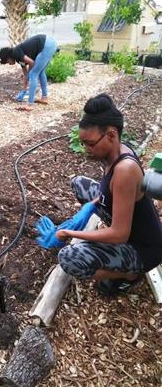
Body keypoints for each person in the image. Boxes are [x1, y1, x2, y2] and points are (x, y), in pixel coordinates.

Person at [55, 93, 162, 296]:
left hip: (143, 248)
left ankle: (130, 275)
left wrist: (70, 233)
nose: (86, 149)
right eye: (83, 143)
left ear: (111, 135)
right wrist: (91, 205)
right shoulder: (118, 151)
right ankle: (113, 244)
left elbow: (119, 234)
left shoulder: (125, 170)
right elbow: (109, 192)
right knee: (79, 184)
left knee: (69, 258)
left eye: (91, 143)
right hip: (129, 228)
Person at [0, 34, 58, 112]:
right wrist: (24, 90)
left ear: (8, 57)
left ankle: (30, 104)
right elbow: (25, 74)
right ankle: (44, 98)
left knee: (33, 74)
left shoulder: (16, 53)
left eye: (7, 61)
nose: (9, 64)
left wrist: (30, 74)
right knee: (40, 72)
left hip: (46, 45)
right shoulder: (18, 59)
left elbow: (31, 63)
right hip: (50, 43)